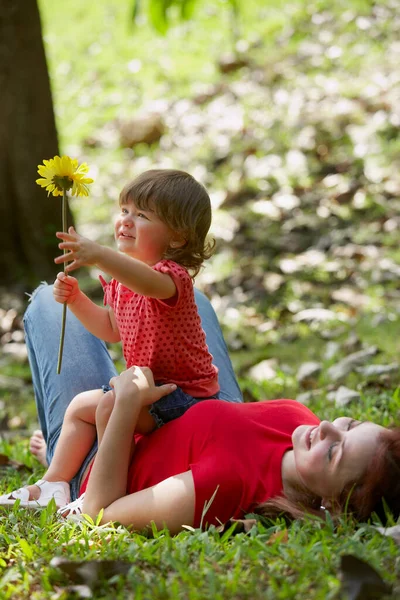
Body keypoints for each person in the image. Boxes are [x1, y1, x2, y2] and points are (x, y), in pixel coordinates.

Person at [1, 285, 400, 530]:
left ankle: (57, 469)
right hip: (175, 412)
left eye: (334, 452)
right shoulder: (300, 423)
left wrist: (124, 404)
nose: (328, 427)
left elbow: (100, 514)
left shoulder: (224, 485)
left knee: (51, 305)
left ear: (332, 506)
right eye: (349, 423)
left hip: (97, 464)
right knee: (181, 297)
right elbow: (213, 428)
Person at [11, 169, 224, 507]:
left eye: (142, 215)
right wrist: (77, 300)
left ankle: (99, 490)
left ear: (178, 238)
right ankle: (54, 483)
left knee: (110, 409)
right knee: (81, 406)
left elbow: (147, 284)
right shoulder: (123, 280)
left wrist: (98, 254)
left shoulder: (172, 279)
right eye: (124, 210)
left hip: (184, 399)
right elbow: (111, 328)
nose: (126, 221)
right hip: (146, 390)